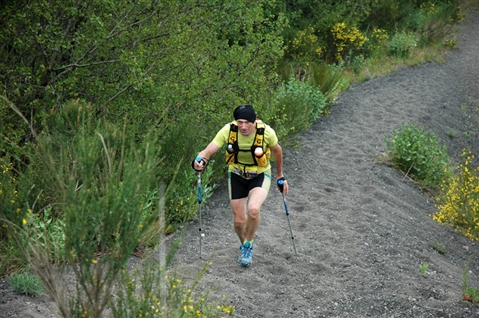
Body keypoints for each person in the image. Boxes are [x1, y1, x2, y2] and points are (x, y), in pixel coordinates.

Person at [192, 104, 288, 267]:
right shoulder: (228, 130)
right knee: (238, 222)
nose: (243, 126)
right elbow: (208, 151)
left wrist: (280, 176)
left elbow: (277, 151)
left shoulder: (266, 132)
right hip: (236, 175)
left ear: (254, 121)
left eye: (247, 122)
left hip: (260, 175)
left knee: (253, 209)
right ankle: (244, 245)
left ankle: (248, 245)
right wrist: (199, 161)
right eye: (240, 122)